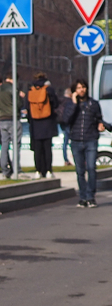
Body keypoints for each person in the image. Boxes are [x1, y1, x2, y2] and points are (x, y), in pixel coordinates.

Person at [58, 78, 107, 208]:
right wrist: (73, 104)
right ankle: (83, 197)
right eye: (79, 88)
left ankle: (91, 196)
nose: (81, 90)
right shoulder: (70, 104)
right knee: (80, 171)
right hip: (76, 140)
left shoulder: (93, 104)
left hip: (91, 139)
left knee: (91, 168)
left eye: (83, 87)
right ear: (75, 90)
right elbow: (66, 119)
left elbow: (99, 119)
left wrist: (101, 125)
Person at [26, 73, 58, 178]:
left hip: (35, 124)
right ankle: (48, 170)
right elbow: (56, 104)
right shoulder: (49, 90)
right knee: (47, 149)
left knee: (37, 149)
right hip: (48, 122)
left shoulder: (30, 91)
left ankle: (38, 171)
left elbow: (27, 107)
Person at [0, 76, 23, 178]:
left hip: (2, 119)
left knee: (4, 145)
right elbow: (19, 104)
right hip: (13, 118)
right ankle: (17, 170)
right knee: (16, 145)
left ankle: (5, 170)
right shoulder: (13, 89)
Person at [59, 87, 73, 164]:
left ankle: (66, 159)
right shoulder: (69, 101)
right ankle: (69, 159)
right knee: (71, 141)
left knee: (65, 142)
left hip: (61, 123)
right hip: (68, 123)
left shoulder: (60, 100)